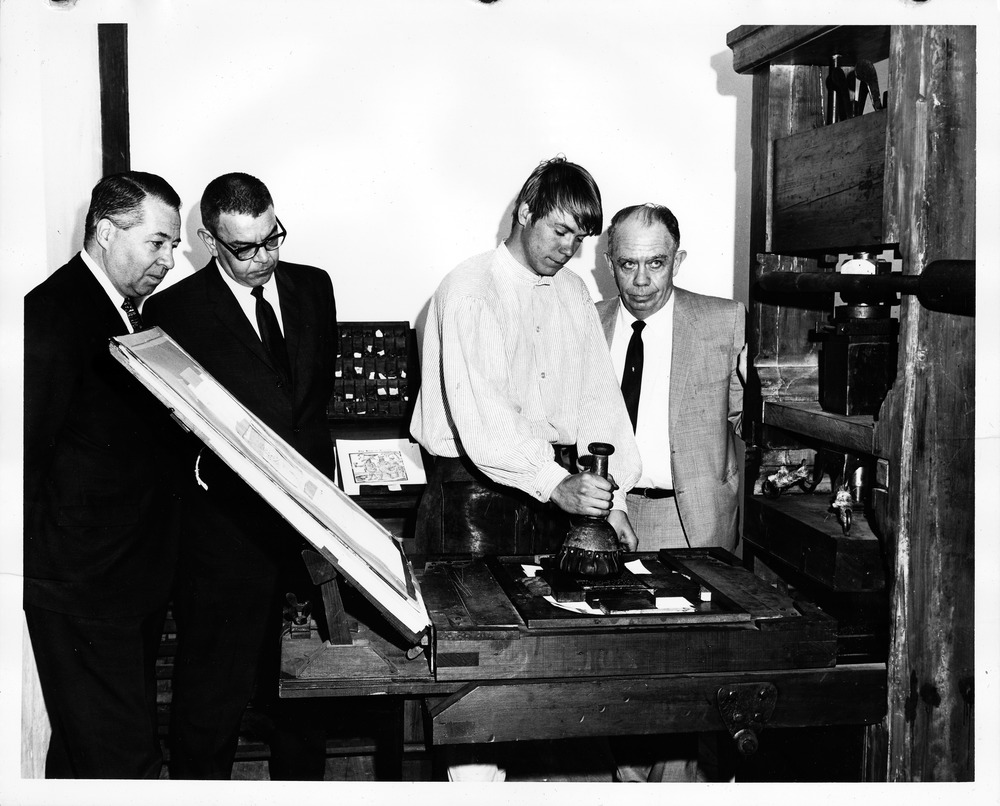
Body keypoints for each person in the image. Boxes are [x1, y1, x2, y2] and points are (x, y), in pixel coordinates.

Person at [143, 173, 338, 780]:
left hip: (308, 530)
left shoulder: (314, 287)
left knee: (307, 697)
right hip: (226, 538)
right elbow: (167, 432)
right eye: (245, 248)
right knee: (212, 703)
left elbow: (312, 407)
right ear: (208, 241)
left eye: (272, 238)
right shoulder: (173, 311)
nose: (264, 258)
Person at [23, 171, 183, 778]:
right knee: (123, 764)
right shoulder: (52, 313)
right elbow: (22, 458)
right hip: (83, 584)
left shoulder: (127, 312)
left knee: (85, 756)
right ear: (107, 231)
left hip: (128, 578)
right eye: (158, 243)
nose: (169, 260)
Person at [410, 156, 641, 560]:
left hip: (555, 494)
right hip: (472, 503)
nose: (569, 249)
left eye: (580, 238)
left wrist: (613, 501)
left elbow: (598, 401)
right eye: (560, 230)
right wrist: (555, 484)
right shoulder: (471, 291)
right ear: (525, 212)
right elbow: (488, 421)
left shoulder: (573, 291)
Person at [597, 202, 747, 782]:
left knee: (691, 676)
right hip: (615, 518)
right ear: (608, 260)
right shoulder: (586, 321)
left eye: (656, 264)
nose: (640, 282)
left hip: (695, 521)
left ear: (677, 259)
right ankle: (632, 782)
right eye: (627, 264)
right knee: (624, 673)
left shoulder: (727, 322)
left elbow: (749, 422)